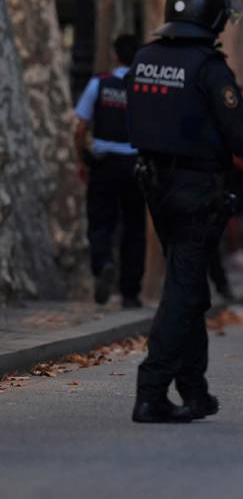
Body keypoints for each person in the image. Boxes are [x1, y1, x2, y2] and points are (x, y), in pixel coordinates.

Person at [126, 0, 243, 423]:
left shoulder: (144, 58)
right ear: (213, 18)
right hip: (197, 189)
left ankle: (194, 391)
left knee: (191, 285)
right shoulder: (208, 66)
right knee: (183, 289)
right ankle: (151, 390)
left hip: (153, 184)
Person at [73, 34, 146, 309]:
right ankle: (130, 293)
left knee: (100, 223)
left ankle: (102, 262)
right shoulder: (143, 88)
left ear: (115, 55)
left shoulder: (99, 84)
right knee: (134, 228)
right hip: (135, 165)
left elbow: (80, 128)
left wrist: (82, 159)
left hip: (104, 164)